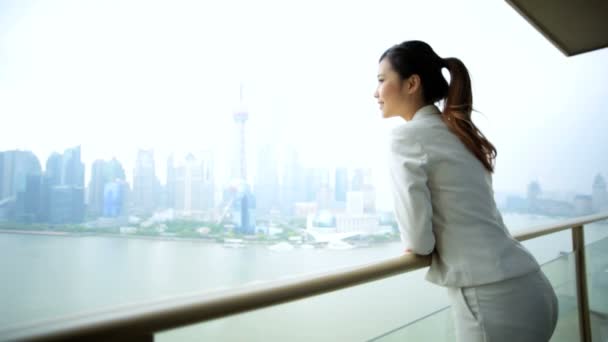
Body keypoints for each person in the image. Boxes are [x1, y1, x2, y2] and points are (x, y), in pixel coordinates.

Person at [374, 40, 558, 342]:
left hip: (492, 302)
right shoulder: (459, 131)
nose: (375, 92)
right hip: (532, 286)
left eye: (381, 80)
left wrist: (416, 245)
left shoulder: (405, 138)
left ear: (412, 84)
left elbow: (419, 242)